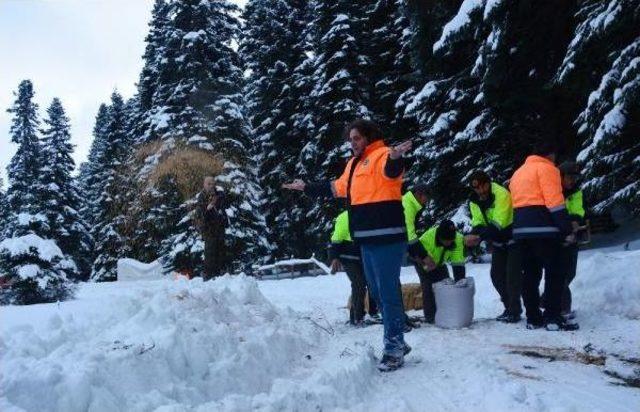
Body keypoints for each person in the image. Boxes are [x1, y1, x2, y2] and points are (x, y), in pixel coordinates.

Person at [283, 119, 412, 371]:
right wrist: (307, 187)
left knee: (387, 293)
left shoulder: (383, 155)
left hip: (387, 236)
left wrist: (397, 157)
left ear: (368, 137)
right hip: (365, 238)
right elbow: (337, 188)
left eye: (357, 138)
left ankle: (394, 347)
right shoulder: (353, 165)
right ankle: (396, 336)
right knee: (374, 294)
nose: (353, 143)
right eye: (350, 139)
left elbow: (392, 171)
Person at [509, 141, 579, 331]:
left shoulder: (518, 173)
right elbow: (554, 202)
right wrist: (566, 229)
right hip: (545, 231)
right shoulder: (548, 169)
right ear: (550, 155)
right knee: (555, 274)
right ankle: (552, 318)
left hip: (522, 232)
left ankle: (533, 317)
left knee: (530, 276)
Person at [465, 170, 522, 323]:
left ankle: (515, 311)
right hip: (497, 242)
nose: (480, 191)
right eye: (477, 189)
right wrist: (474, 235)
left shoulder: (501, 194)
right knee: (496, 276)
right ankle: (508, 307)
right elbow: (478, 222)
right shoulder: (474, 201)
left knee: (512, 276)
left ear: (488, 183)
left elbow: (499, 223)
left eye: (483, 187)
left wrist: (479, 236)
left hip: (512, 239)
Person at [328, 210, 379, 325]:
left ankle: (371, 313)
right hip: (348, 257)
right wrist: (334, 257)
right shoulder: (345, 217)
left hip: (363, 256)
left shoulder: (369, 214)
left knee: (371, 283)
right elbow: (336, 238)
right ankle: (357, 317)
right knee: (359, 284)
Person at [415, 220, 466, 322]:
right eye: (446, 240)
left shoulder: (458, 239)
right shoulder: (427, 239)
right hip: (422, 259)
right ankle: (431, 317)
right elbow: (417, 254)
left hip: (440, 263)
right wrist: (425, 264)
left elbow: (458, 262)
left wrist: (460, 280)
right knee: (429, 286)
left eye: (451, 240)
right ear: (439, 236)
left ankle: (448, 312)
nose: (448, 242)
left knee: (446, 284)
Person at [558, 161, 585, 318]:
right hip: (557, 238)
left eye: (575, 177)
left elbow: (578, 211)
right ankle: (563, 309)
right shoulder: (553, 191)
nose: (572, 180)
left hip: (572, 237)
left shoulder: (576, 192)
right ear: (561, 176)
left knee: (570, 273)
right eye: (569, 177)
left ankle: (547, 299)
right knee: (561, 274)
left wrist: (575, 220)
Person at [194, 176, 228, 281]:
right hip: (208, 228)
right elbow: (198, 213)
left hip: (219, 227)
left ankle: (221, 275)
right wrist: (206, 208)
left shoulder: (219, 194)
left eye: (212, 183)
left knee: (221, 251)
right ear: (204, 184)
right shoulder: (201, 196)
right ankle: (208, 276)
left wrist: (218, 200)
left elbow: (224, 205)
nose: (211, 186)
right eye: (208, 184)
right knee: (210, 252)